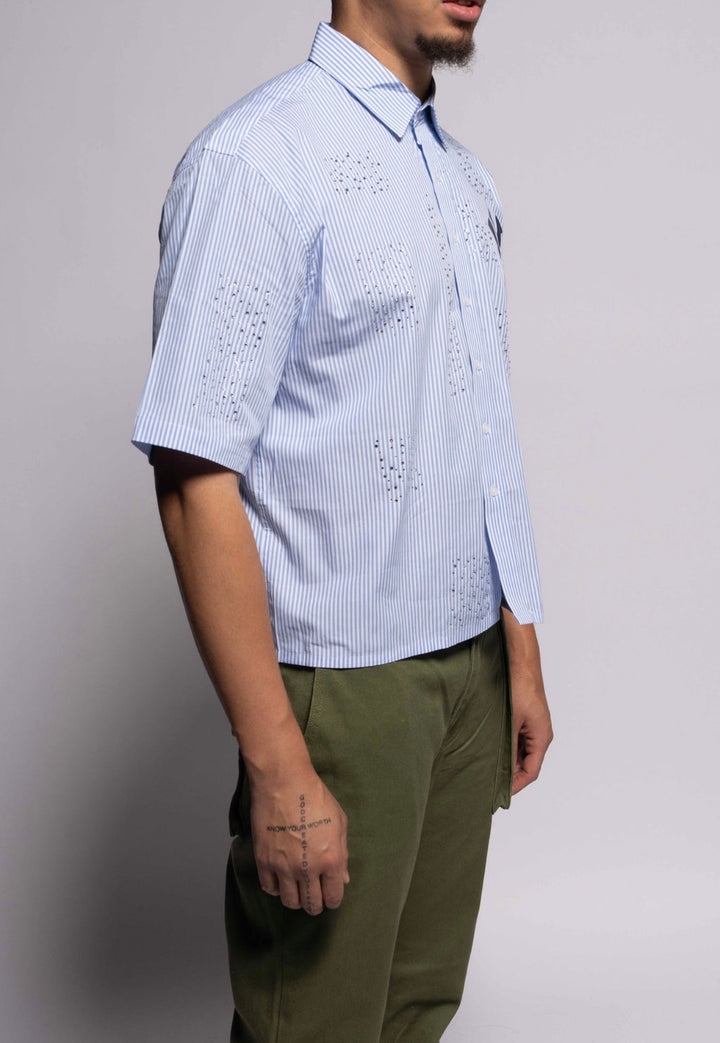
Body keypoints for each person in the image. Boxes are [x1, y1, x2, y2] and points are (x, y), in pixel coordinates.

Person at [132, 1, 553, 1039]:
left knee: (417, 1008)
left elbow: (480, 418)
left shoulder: (461, 177)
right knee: (314, 1019)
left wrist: (521, 644)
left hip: (470, 670)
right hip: (341, 688)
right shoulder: (257, 159)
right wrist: (277, 760)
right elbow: (194, 474)